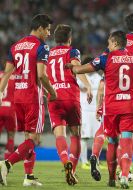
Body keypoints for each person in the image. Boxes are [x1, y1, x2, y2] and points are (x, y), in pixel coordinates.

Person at [67, 30, 133, 188]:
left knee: (113, 143)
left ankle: (111, 179)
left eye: (109, 43)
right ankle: (125, 175)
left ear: (115, 43)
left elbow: (81, 69)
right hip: (130, 107)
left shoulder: (106, 58)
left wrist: (71, 67)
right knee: (127, 142)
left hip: (112, 108)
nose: (108, 46)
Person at [0, 14, 56, 186]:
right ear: (39, 28)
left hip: (18, 97)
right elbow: (41, 75)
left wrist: (0, 92)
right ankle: (6, 164)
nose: (48, 33)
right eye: (47, 29)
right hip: (33, 96)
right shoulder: (42, 47)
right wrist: (52, 92)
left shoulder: (15, 46)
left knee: (27, 137)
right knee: (34, 139)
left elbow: (7, 73)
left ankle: (28, 176)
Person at [47, 24, 92, 185]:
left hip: (53, 96)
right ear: (70, 39)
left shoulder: (48, 53)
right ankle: (71, 170)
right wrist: (88, 86)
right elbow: (76, 70)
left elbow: (42, 75)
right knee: (76, 135)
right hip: (70, 97)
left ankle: (65, 161)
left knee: (60, 135)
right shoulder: (72, 51)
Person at [77, 57, 102, 170]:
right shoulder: (81, 77)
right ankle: (84, 161)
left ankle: (95, 161)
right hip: (84, 110)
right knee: (84, 137)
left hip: (96, 110)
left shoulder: (99, 77)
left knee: (98, 137)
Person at [0, 70, 16, 160]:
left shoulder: (1, 75)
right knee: (10, 135)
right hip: (11, 109)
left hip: (0, 107)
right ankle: (7, 160)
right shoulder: (16, 76)